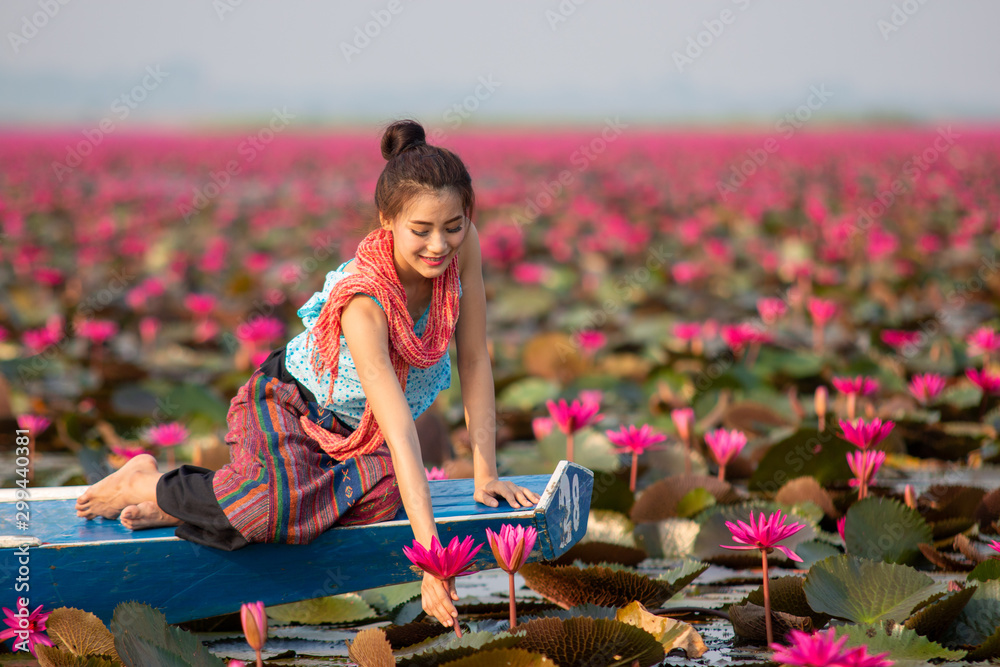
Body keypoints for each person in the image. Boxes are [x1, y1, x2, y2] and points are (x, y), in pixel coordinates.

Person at [74, 119, 540, 631]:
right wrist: (431, 563)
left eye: (453, 226)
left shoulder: (463, 243)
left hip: (356, 434)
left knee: (382, 502)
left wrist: (486, 472)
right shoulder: (364, 303)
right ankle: (153, 482)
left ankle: (199, 505)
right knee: (274, 507)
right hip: (289, 405)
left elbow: (473, 358)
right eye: (421, 231)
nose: (440, 245)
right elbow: (402, 432)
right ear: (387, 220)